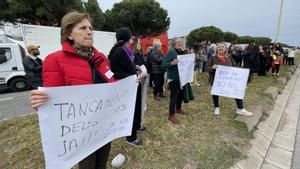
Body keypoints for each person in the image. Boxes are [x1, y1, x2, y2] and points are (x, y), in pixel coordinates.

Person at [28, 11, 116, 169]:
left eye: (90, 27)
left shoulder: (101, 57)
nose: (89, 31)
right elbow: (52, 102)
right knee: (88, 165)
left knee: (102, 161)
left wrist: (128, 86)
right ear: (69, 34)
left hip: (104, 125)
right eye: (82, 28)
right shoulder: (55, 60)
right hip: (81, 132)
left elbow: (112, 84)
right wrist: (39, 102)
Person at [108, 27, 147, 146]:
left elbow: (125, 66)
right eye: (131, 37)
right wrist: (136, 77)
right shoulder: (119, 51)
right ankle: (131, 137)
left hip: (132, 85)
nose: (132, 39)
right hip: (129, 87)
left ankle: (136, 127)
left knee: (136, 109)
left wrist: (134, 68)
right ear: (127, 38)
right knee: (133, 111)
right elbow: (116, 73)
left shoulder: (124, 50)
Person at [206, 42, 253, 116]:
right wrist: (212, 67)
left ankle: (240, 108)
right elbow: (207, 68)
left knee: (235, 91)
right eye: (218, 47)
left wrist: (242, 73)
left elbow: (235, 67)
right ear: (216, 49)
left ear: (225, 49)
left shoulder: (229, 57)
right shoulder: (213, 57)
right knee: (216, 93)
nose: (220, 48)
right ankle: (217, 107)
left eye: (222, 47)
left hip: (229, 80)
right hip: (216, 80)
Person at [161, 37, 186, 124]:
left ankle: (178, 109)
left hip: (181, 77)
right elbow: (163, 64)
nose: (180, 43)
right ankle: (171, 115)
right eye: (178, 41)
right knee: (174, 96)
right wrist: (171, 63)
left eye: (181, 41)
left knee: (180, 94)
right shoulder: (171, 51)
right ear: (173, 43)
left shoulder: (181, 51)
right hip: (174, 77)